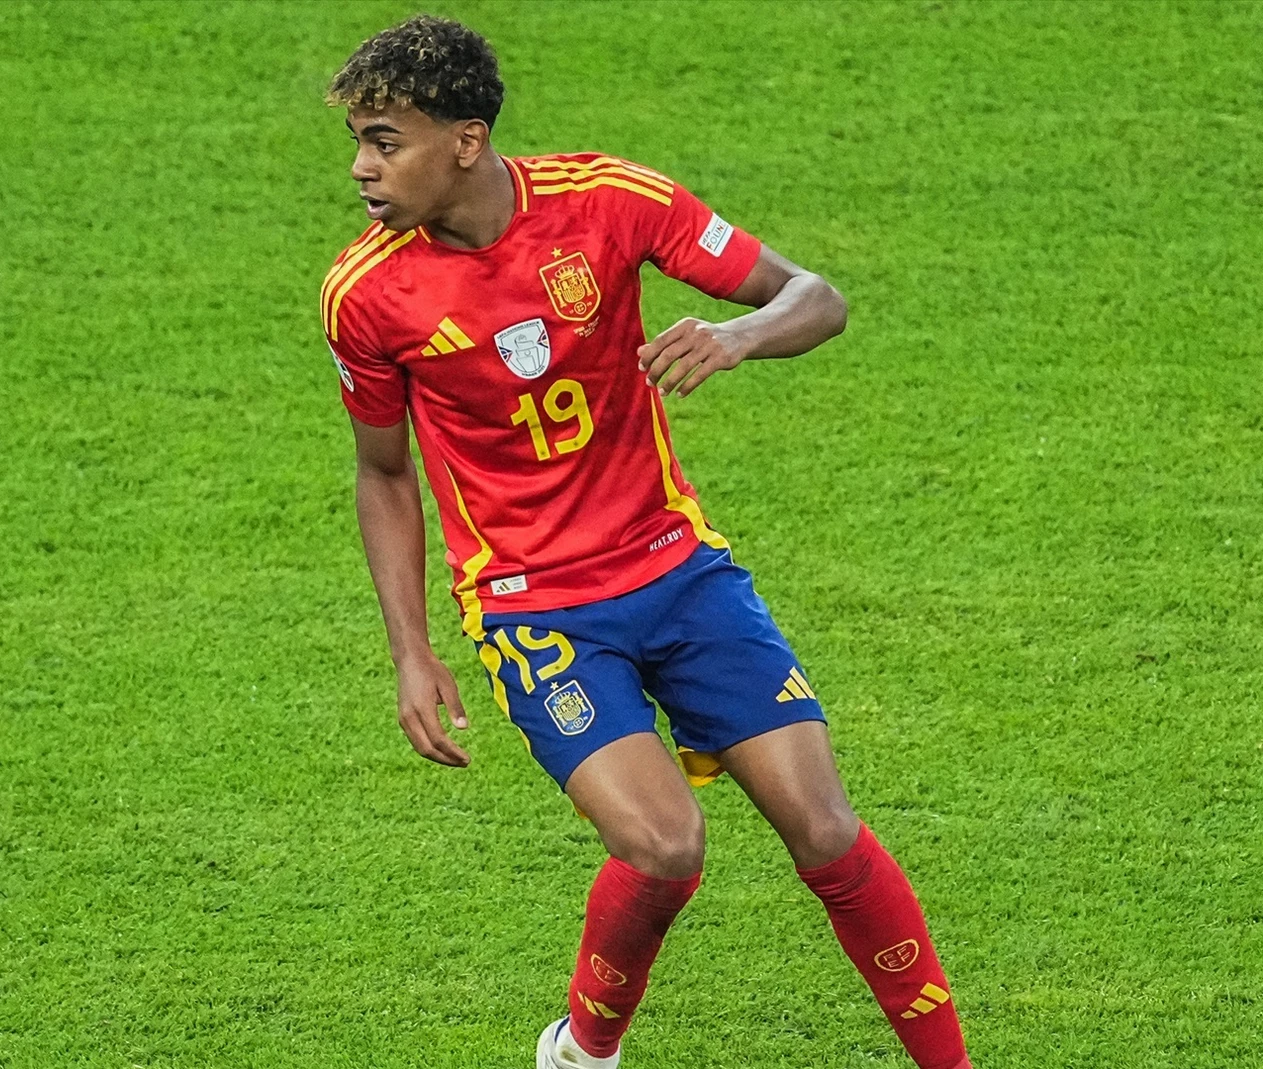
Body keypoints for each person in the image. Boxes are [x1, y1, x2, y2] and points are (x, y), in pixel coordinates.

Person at [320, 15, 971, 1069]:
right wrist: (410, 648)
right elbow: (385, 473)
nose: (361, 168)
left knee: (825, 828)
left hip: (678, 571)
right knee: (665, 844)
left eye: (385, 141)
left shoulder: (606, 202)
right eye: (359, 141)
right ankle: (583, 1050)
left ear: (466, 140)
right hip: (534, 605)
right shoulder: (367, 294)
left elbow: (816, 298)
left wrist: (737, 335)